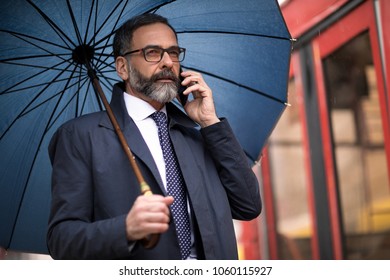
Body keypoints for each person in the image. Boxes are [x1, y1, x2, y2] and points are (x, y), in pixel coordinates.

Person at [47, 13, 261, 260]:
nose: (168, 62)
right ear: (122, 68)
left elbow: (248, 206)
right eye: (152, 53)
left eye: (173, 53)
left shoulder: (198, 133)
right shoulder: (80, 136)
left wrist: (210, 123)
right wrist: (125, 228)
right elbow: (61, 241)